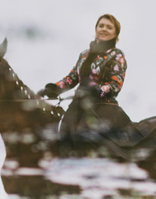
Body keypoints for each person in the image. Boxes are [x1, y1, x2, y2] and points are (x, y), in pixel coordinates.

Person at [37, 14, 137, 147]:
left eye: (109, 27)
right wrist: (54, 88)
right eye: (101, 26)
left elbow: (115, 84)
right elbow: (72, 78)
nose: (104, 29)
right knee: (63, 139)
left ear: (115, 34)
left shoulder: (117, 55)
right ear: (96, 29)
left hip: (103, 107)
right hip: (77, 107)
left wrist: (98, 90)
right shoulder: (84, 54)